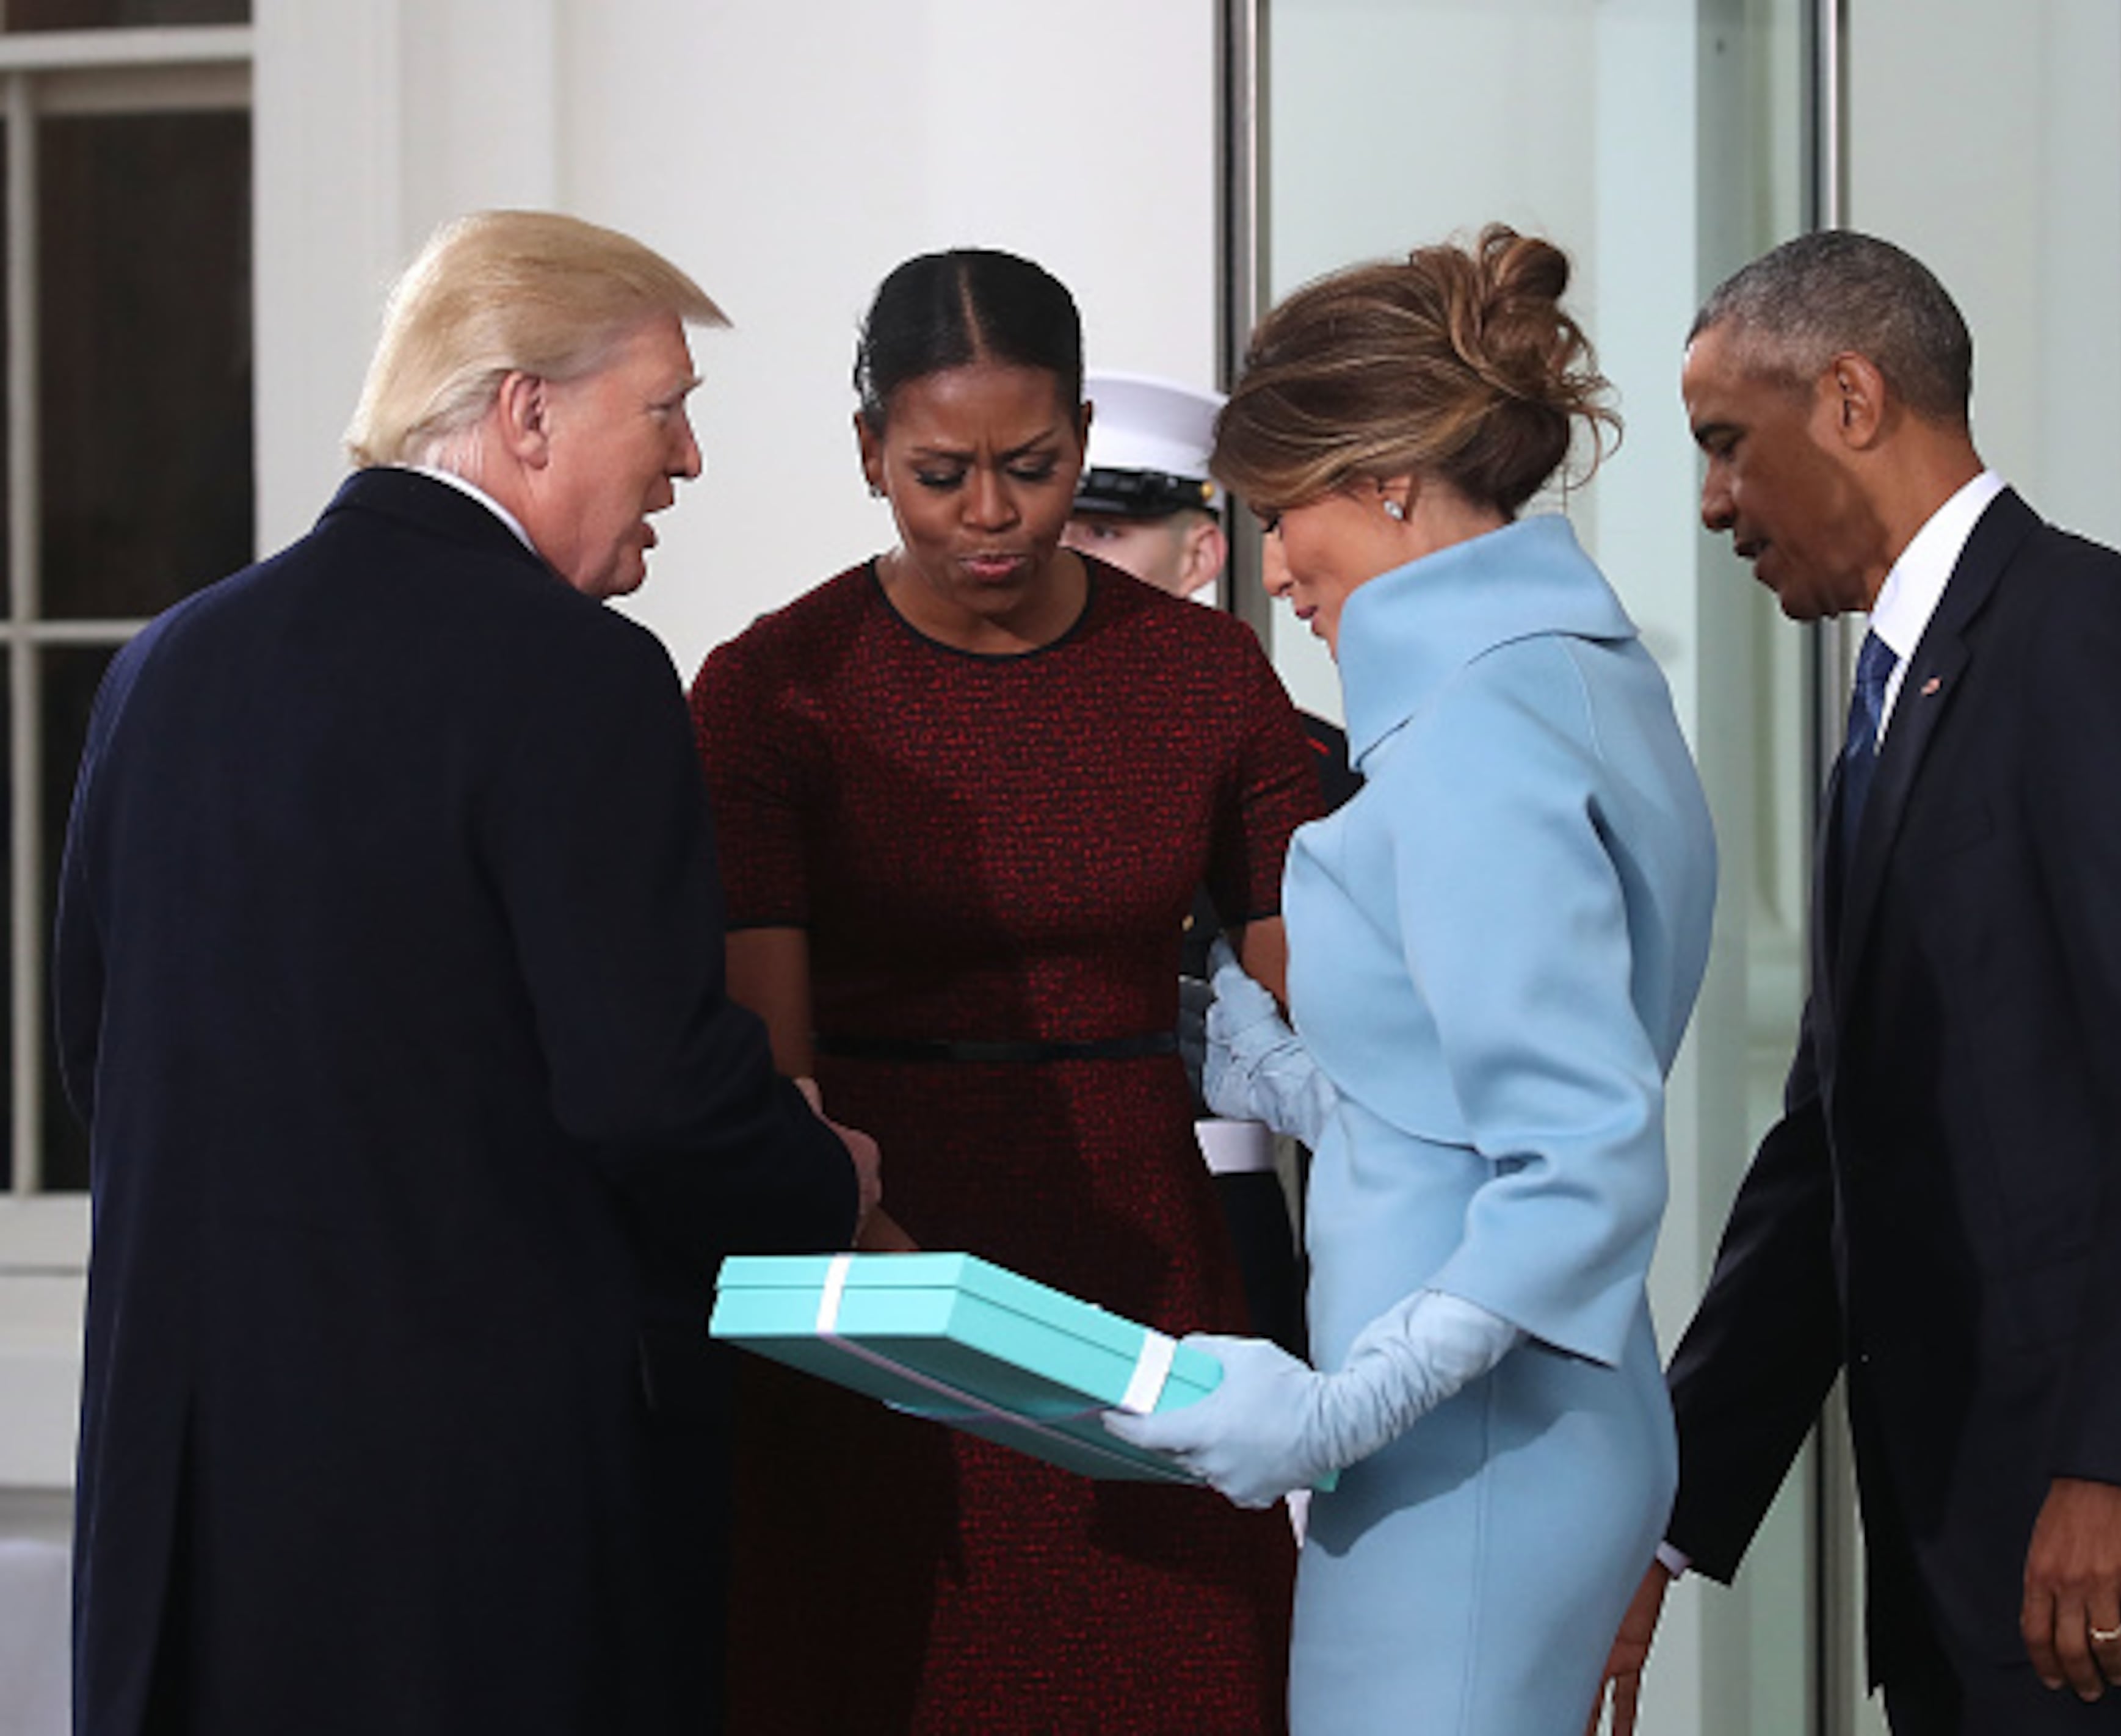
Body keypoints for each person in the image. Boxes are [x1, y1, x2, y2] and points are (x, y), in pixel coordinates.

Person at [53, 209, 879, 1736]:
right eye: (668, 406)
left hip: (201, 1511)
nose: (688, 459)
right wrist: (824, 1179)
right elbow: (648, 1095)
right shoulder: (580, 675)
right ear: (526, 409)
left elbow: (101, 1061)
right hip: (473, 1534)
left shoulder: (161, 668)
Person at [1592, 230, 2121, 1736]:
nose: (1713, 503)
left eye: (1728, 444)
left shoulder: (2094, 640)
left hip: (2112, 1547)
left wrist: (2117, 1464)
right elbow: (1830, 1157)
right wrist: (1665, 1515)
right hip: (1967, 1548)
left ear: (1853, 399)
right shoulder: (1892, 702)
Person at [689, 247, 1314, 1734]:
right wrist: (928, 1323)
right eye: (939, 473)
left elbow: (1325, 1002)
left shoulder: (1206, 679)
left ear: (1085, 442)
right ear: (866, 457)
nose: (989, 516)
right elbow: (773, 1080)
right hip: (873, 1271)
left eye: (1030, 469)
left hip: (1146, 1267)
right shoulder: (777, 688)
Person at [1106, 225, 1717, 1735]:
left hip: (1474, 1455)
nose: (1272, 565)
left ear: (1383, 480)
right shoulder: (1562, 672)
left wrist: (1331, 1416)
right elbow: (1475, 1107)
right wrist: (1282, 1075)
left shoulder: (1476, 733)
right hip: (1515, 1429)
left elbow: (1579, 1162)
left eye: (1279, 511)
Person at [1065, 369, 1362, 1357]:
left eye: (1103, 533)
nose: (1064, 556)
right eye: (1055, 525)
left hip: (1223, 1214)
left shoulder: (1310, 769)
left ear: (1201, 551)